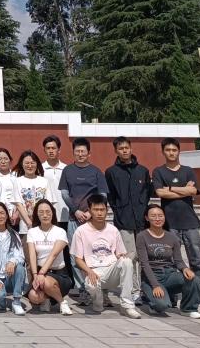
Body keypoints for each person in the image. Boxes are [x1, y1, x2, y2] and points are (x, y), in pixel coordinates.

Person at [153, 137, 200, 309]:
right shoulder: (159, 171)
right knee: (172, 260)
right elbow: (160, 193)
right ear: (163, 152)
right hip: (170, 223)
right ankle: (174, 295)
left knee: (196, 260)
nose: (171, 153)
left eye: (174, 150)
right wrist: (183, 190)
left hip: (190, 222)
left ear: (179, 151)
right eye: (168, 150)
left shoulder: (188, 171)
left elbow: (193, 190)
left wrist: (171, 188)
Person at [70, 193, 141, 318]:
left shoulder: (113, 230)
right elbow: (78, 259)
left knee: (127, 262)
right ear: (89, 210)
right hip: (94, 271)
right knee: (91, 285)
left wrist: (121, 257)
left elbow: (120, 253)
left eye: (102, 210)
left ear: (106, 210)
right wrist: (89, 271)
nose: (99, 213)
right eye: (96, 210)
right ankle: (98, 302)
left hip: (111, 270)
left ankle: (127, 305)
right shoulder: (81, 231)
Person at [58, 137, 109, 298]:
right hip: (73, 218)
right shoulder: (68, 171)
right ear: (73, 153)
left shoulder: (96, 171)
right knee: (75, 255)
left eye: (83, 151)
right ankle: (82, 288)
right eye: (77, 151)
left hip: (92, 220)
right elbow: (64, 194)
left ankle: (97, 286)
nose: (80, 154)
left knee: (94, 253)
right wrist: (76, 211)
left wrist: (89, 212)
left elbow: (102, 194)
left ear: (89, 153)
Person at [105, 136, 152, 304]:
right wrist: (118, 211)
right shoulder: (111, 172)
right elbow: (110, 196)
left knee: (143, 256)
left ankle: (146, 289)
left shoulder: (142, 170)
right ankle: (133, 291)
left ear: (131, 148)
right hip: (123, 221)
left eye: (126, 147)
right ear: (116, 151)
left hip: (141, 221)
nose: (124, 150)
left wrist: (142, 209)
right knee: (130, 257)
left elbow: (147, 192)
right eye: (121, 148)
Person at [136, 204, 200, 318]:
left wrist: (185, 269)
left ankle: (188, 309)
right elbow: (144, 264)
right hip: (152, 276)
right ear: (147, 218)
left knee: (193, 279)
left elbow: (178, 260)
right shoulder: (142, 236)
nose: (157, 219)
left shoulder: (172, 237)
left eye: (160, 215)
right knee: (162, 306)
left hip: (169, 274)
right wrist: (155, 285)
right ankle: (152, 302)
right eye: (153, 216)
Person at [25, 199, 73, 315]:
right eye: (41, 212)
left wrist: (41, 273)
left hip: (59, 273)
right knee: (34, 296)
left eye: (48, 212)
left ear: (53, 213)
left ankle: (62, 302)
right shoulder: (32, 232)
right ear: (36, 214)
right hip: (40, 272)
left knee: (46, 282)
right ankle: (46, 299)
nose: (45, 215)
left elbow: (53, 255)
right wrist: (35, 275)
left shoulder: (60, 231)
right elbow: (32, 255)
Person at [13, 150, 53, 234]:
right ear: (22, 164)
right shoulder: (18, 181)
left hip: (43, 225)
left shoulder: (44, 181)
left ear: (37, 164)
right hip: (25, 227)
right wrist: (29, 223)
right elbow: (19, 204)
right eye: (27, 163)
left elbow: (49, 203)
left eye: (32, 163)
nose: (30, 166)